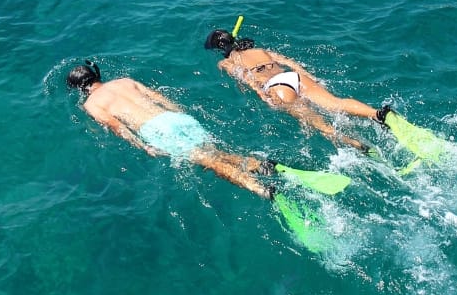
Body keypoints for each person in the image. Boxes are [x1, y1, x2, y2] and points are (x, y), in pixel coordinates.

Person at [69, 60, 308, 199]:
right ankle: (264, 166)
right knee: (216, 155)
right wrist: (181, 115)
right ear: (96, 74)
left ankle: (260, 189)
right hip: (174, 118)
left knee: (211, 163)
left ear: (80, 88)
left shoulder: (92, 104)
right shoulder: (123, 80)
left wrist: (143, 146)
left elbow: (117, 127)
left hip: (158, 131)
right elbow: (160, 98)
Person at [203, 29, 391, 152]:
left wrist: (261, 93)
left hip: (277, 87)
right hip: (295, 77)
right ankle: (378, 114)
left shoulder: (226, 62)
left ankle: (358, 145)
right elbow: (289, 63)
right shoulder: (261, 50)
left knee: (322, 127)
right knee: (336, 103)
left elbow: (246, 77)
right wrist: (309, 75)